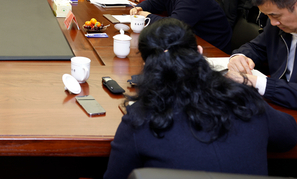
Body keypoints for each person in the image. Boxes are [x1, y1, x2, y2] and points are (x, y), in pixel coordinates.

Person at [104, 19, 297, 179]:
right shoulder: (245, 98)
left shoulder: (139, 117)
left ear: (147, 64)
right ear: (199, 52)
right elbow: (289, 136)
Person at [228, 0, 297, 109]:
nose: (273, 23)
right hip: (277, 103)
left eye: (275, 16)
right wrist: (239, 57)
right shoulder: (277, 26)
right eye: (267, 16)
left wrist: (255, 82)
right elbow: (256, 47)